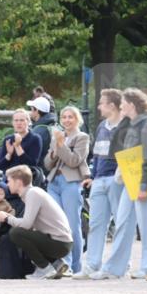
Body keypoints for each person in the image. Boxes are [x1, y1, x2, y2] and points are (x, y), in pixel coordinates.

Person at [92, 88, 147, 280]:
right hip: (129, 181)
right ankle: (114, 269)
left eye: (123, 104)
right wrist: (126, 120)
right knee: (122, 222)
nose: (120, 107)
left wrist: (144, 187)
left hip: (143, 182)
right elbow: (116, 149)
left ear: (132, 104)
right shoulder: (131, 125)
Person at [0, 165, 73, 280]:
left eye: (9, 181)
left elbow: (27, 225)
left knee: (16, 233)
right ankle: (56, 264)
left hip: (60, 244)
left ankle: (45, 268)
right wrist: (7, 216)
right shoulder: (32, 193)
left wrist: (7, 218)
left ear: (18, 182)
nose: (7, 184)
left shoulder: (32, 194)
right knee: (23, 232)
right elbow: (31, 226)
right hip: (60, 242)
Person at [77, 89, 125, 279]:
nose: (98, 106)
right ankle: (92, 264)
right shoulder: (101, 127)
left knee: (121, 223)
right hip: (99, 180)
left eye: (102, 103)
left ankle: (122, 264)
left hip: (117, 179)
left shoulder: (126, 126)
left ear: (112, 105)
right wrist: (93, 176)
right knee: (96, 224)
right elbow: (97, 154)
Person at [43, 106, 90, 273]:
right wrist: (55, 150)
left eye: (71, 117)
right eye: (64, 117)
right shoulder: (57, 137)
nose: (67, 120)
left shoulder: (82, 137)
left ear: (77, 119)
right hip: (54, 183)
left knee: (72, 224)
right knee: (56, 224)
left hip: (71, 182)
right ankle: (61, 263)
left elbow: (73, 161)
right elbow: (47, 164)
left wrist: (61, 146)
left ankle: (74, 266)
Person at [0, 110, 42, 181]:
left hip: (25, 179)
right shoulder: (8, 139)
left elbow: (32, 164)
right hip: (9, 179)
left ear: (28, 122)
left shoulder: (35, 138)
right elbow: (1, 165)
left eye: (22, 120)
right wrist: (9, 154)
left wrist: (18, 147)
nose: (19, 123)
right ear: (13, 123)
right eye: (16, 120)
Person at [26, 96, 56, 167]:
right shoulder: (53, 125)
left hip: (40, 171)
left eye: (32, 109)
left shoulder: (38, 131)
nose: (30, 112)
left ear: (36, 111)